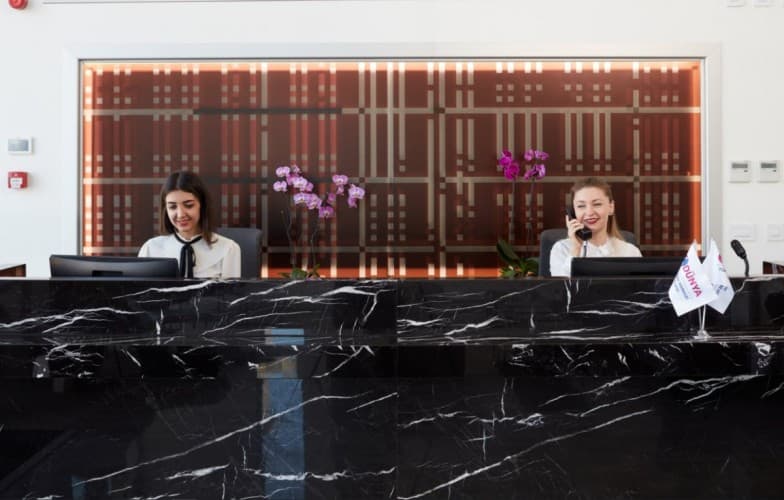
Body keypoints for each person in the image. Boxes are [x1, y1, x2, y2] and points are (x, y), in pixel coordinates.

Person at [138, 170, 241, 279]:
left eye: (189, 205)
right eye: (172, 207)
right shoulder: (150, 248)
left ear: (202, 205)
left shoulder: (228, 248)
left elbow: (232, 290)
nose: (180, 214)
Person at [550, 176, 641, 277]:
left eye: (597, 204)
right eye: (581, 206)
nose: (589, 212)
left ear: (611, 207)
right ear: (573, 213)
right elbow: (562, 286)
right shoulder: (561, 249)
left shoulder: (630, 252)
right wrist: (576, 250)